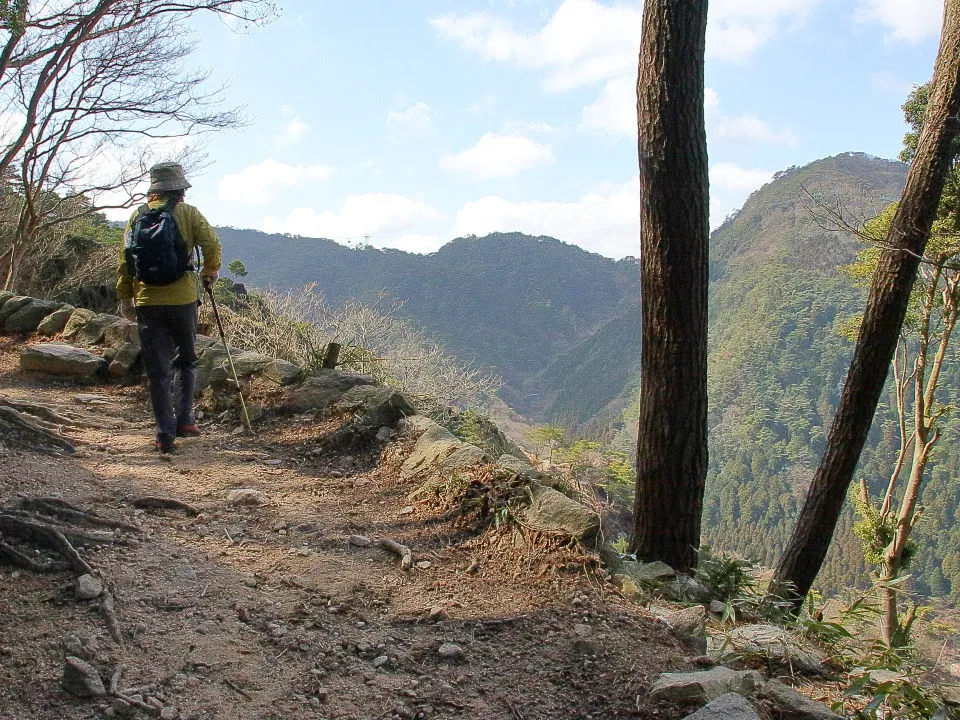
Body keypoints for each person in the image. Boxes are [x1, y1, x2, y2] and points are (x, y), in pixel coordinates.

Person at [117, 162, 221, 453]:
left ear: (153, 190)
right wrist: (209, 273)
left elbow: (125, 261)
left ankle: (164, 434)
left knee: (157, 370)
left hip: (148, 301)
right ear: (181, 190)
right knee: (186, 359)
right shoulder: (188, 213)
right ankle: (185, 419)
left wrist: (126, 298)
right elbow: (212, 245)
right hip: (183, 299)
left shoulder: (137, 216)